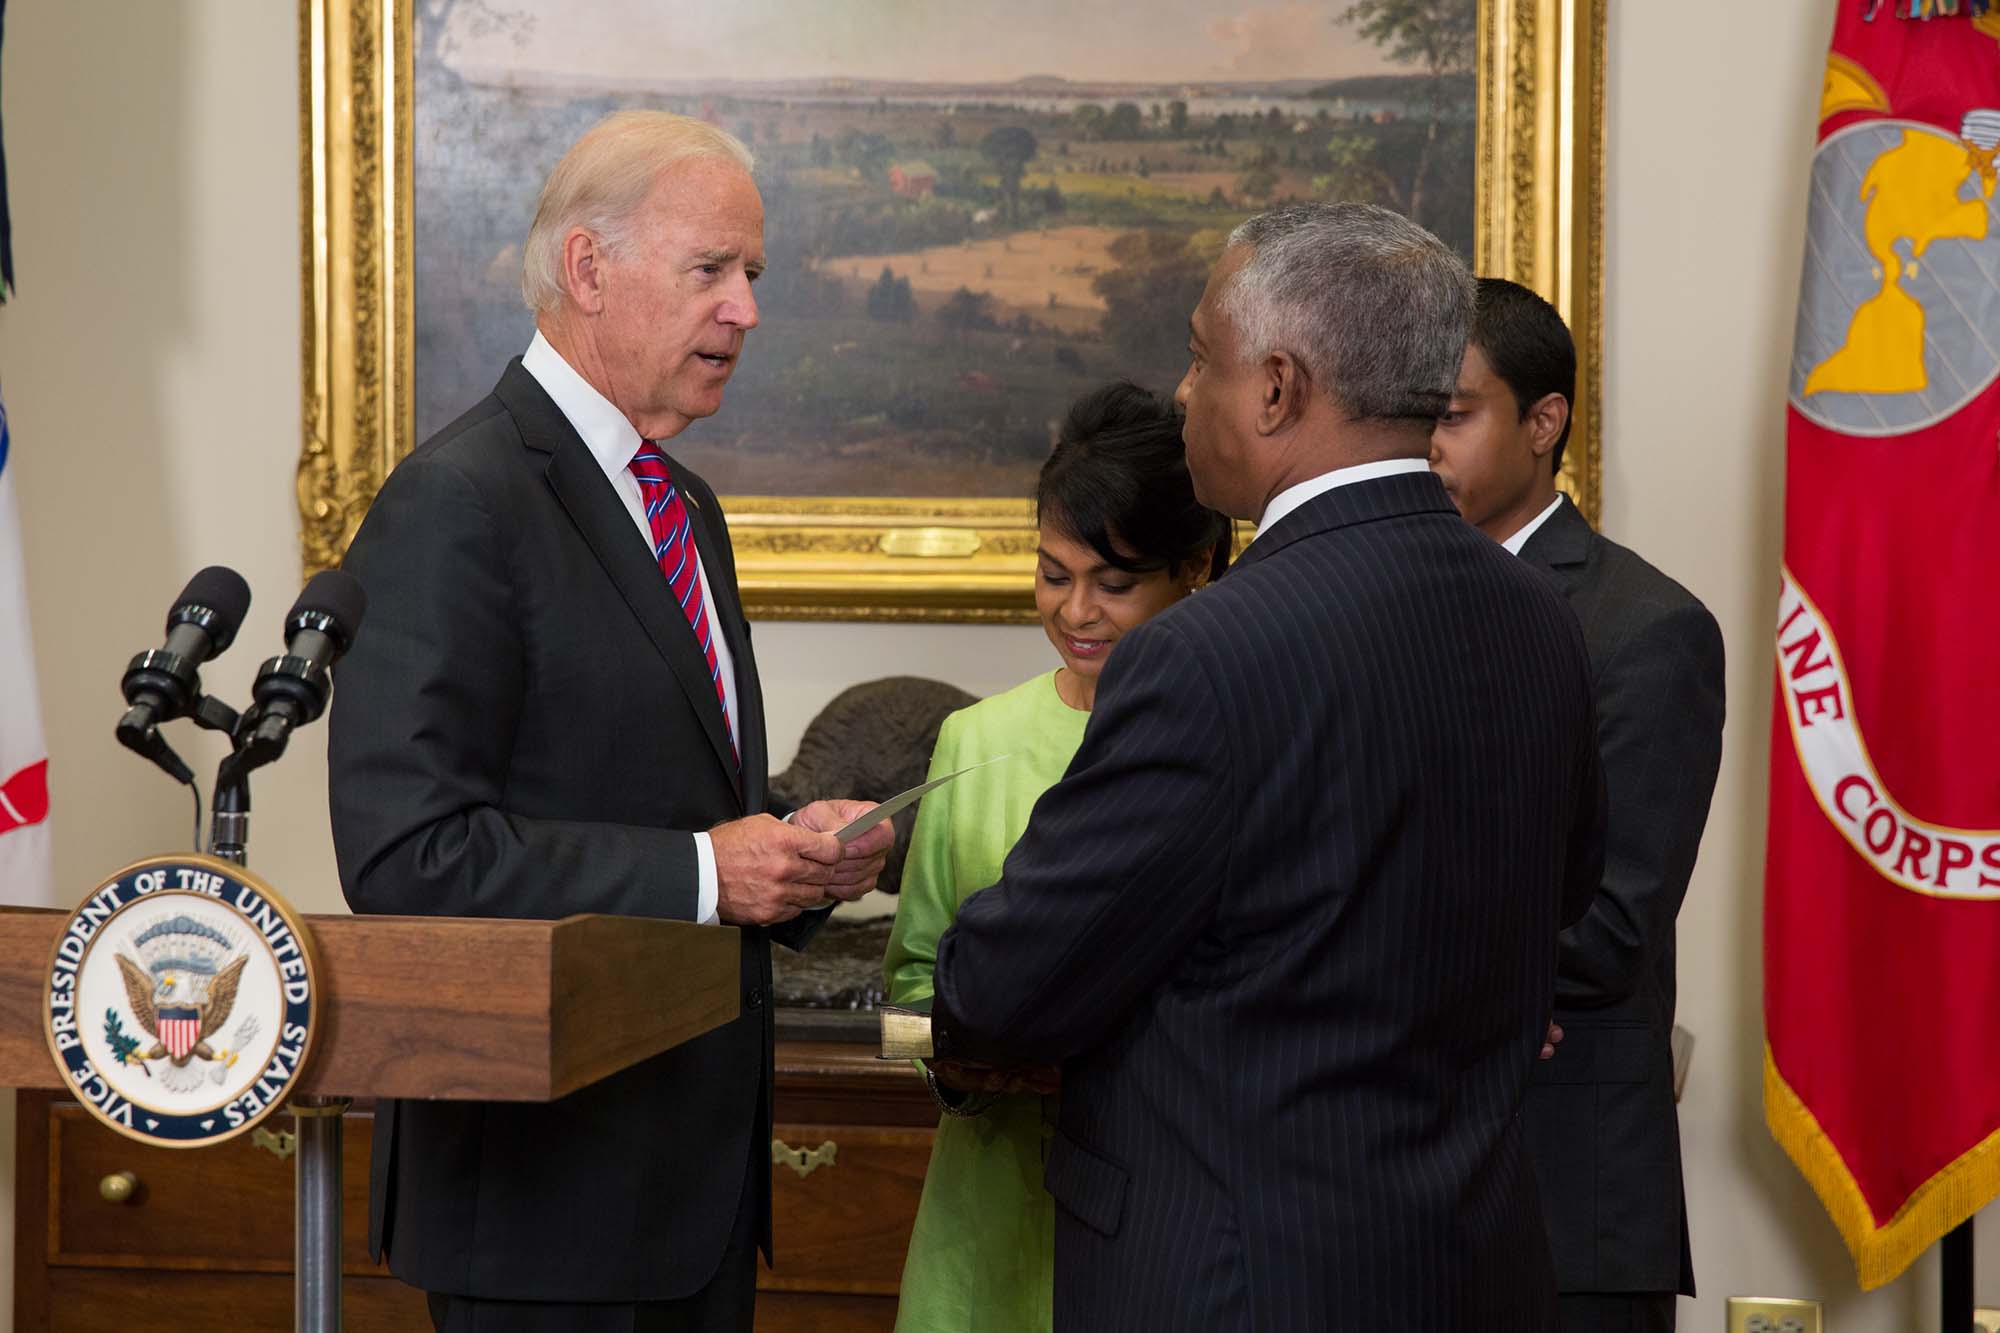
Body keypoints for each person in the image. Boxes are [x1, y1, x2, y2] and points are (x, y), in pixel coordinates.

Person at [920, 201, 1608, 1332]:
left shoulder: (1203, 654)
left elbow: (1005, 987)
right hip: (1470, 1270)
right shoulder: (1537, 616)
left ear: (1276, 389)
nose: (1184, 390)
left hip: (1236, 1283)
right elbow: (1559, 897)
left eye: (1201, 358)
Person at [327, 110, 893, 1332]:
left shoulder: (682, 503)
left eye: (753, 276)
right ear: (588, 269)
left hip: (693, 1202)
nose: (745, 310)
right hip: (543, 1211)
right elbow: (404, 854)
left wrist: (794, 852)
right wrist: (708, 869)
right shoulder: (456, 499)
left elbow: (671, 811)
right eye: (712, 272)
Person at [883, 381, 1231, 1333]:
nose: (1076, 612)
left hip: (1162, 1224)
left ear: (1194, 568)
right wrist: (960, 1063)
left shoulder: (1234, 740)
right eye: (1051, 572)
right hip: (987, 1219)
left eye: (1113, 584)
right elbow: (910, 986)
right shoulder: (972, 740)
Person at [1430, 277, 1724, 1333]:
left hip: (1562, 1196)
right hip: (1386, 1197)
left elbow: (1606, 930)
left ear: (1541, 422)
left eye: (1452, 414)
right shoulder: (1375, 604)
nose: (1423, 441)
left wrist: (1385, 957)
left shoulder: (1642, 629)